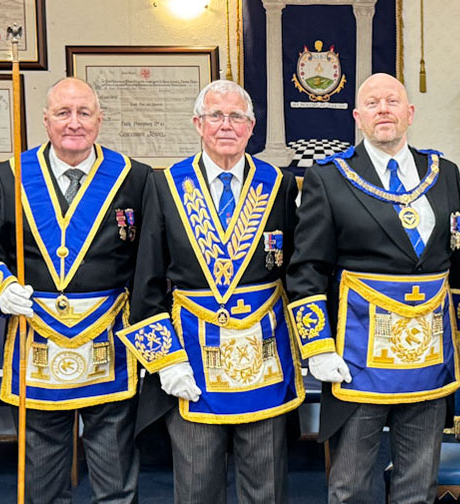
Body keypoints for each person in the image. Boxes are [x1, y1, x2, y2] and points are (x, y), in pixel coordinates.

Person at [286, 72, 460, 503]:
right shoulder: (330, 177)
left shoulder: (443, 173)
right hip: (356, 359)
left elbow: (458, 260)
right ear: (357, 117)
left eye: (392, 101)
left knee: (418, 484)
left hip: (428, 354)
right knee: (351, 485)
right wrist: (317, 346)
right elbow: (307, 269)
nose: (383, 110)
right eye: (372, 103)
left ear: (410, 113)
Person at [118, 80, 302, 503]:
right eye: (216, 115)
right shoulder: (165, 184)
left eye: (236, 116)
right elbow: (145, 281)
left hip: (264, 359)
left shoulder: (280, 184)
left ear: (252, 126)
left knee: (267, 489)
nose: (226, 125)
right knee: (198, 487)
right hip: (191, 360)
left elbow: (297, 274)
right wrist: (164, 362)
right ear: (198, 124)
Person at [0, 77, 150, 503]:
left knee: (115, 479)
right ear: (45, 120)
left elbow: (147, 269)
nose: (74, 123)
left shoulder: (134, 178)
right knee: (42, 481)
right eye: (63, 113)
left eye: (84, 112)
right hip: (38, 341)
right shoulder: (11, 175)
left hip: (109, 342)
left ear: (99, 119)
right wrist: (2, 289)